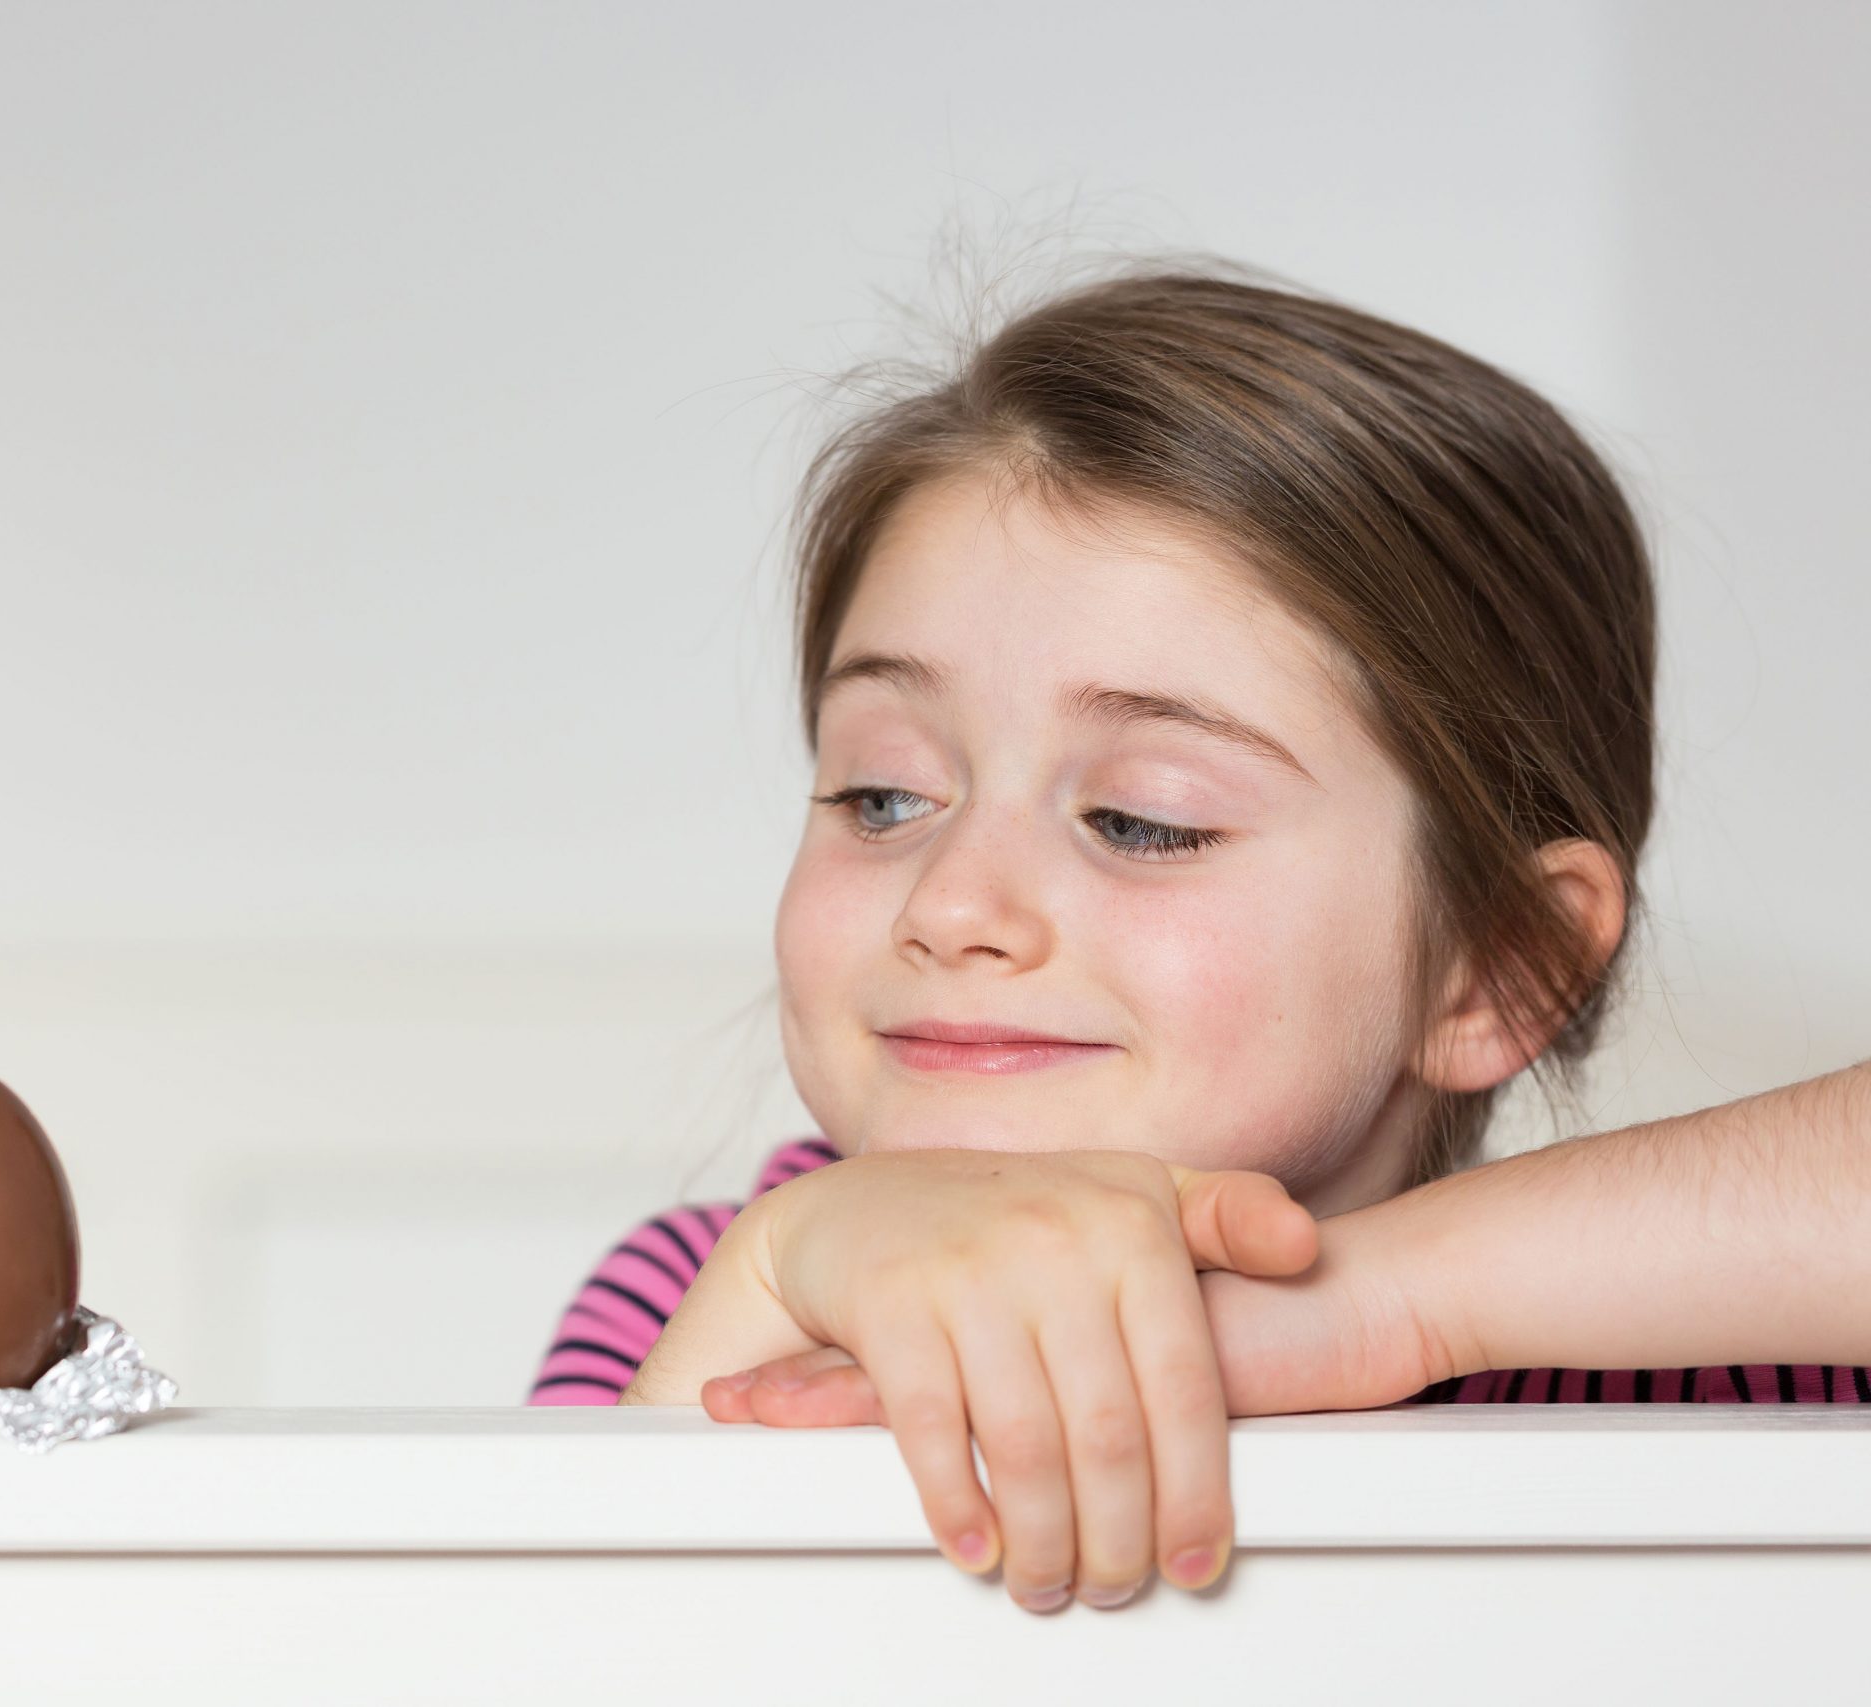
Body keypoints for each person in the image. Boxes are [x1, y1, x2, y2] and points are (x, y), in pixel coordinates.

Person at [523, 259, 1871, 1618]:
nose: (948, 904)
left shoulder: (1719, 1378)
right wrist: (766, 1277)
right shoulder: (704, 1301)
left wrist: (1386, 1303)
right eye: (881, 795)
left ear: (1498, 960)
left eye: (1140, 819)